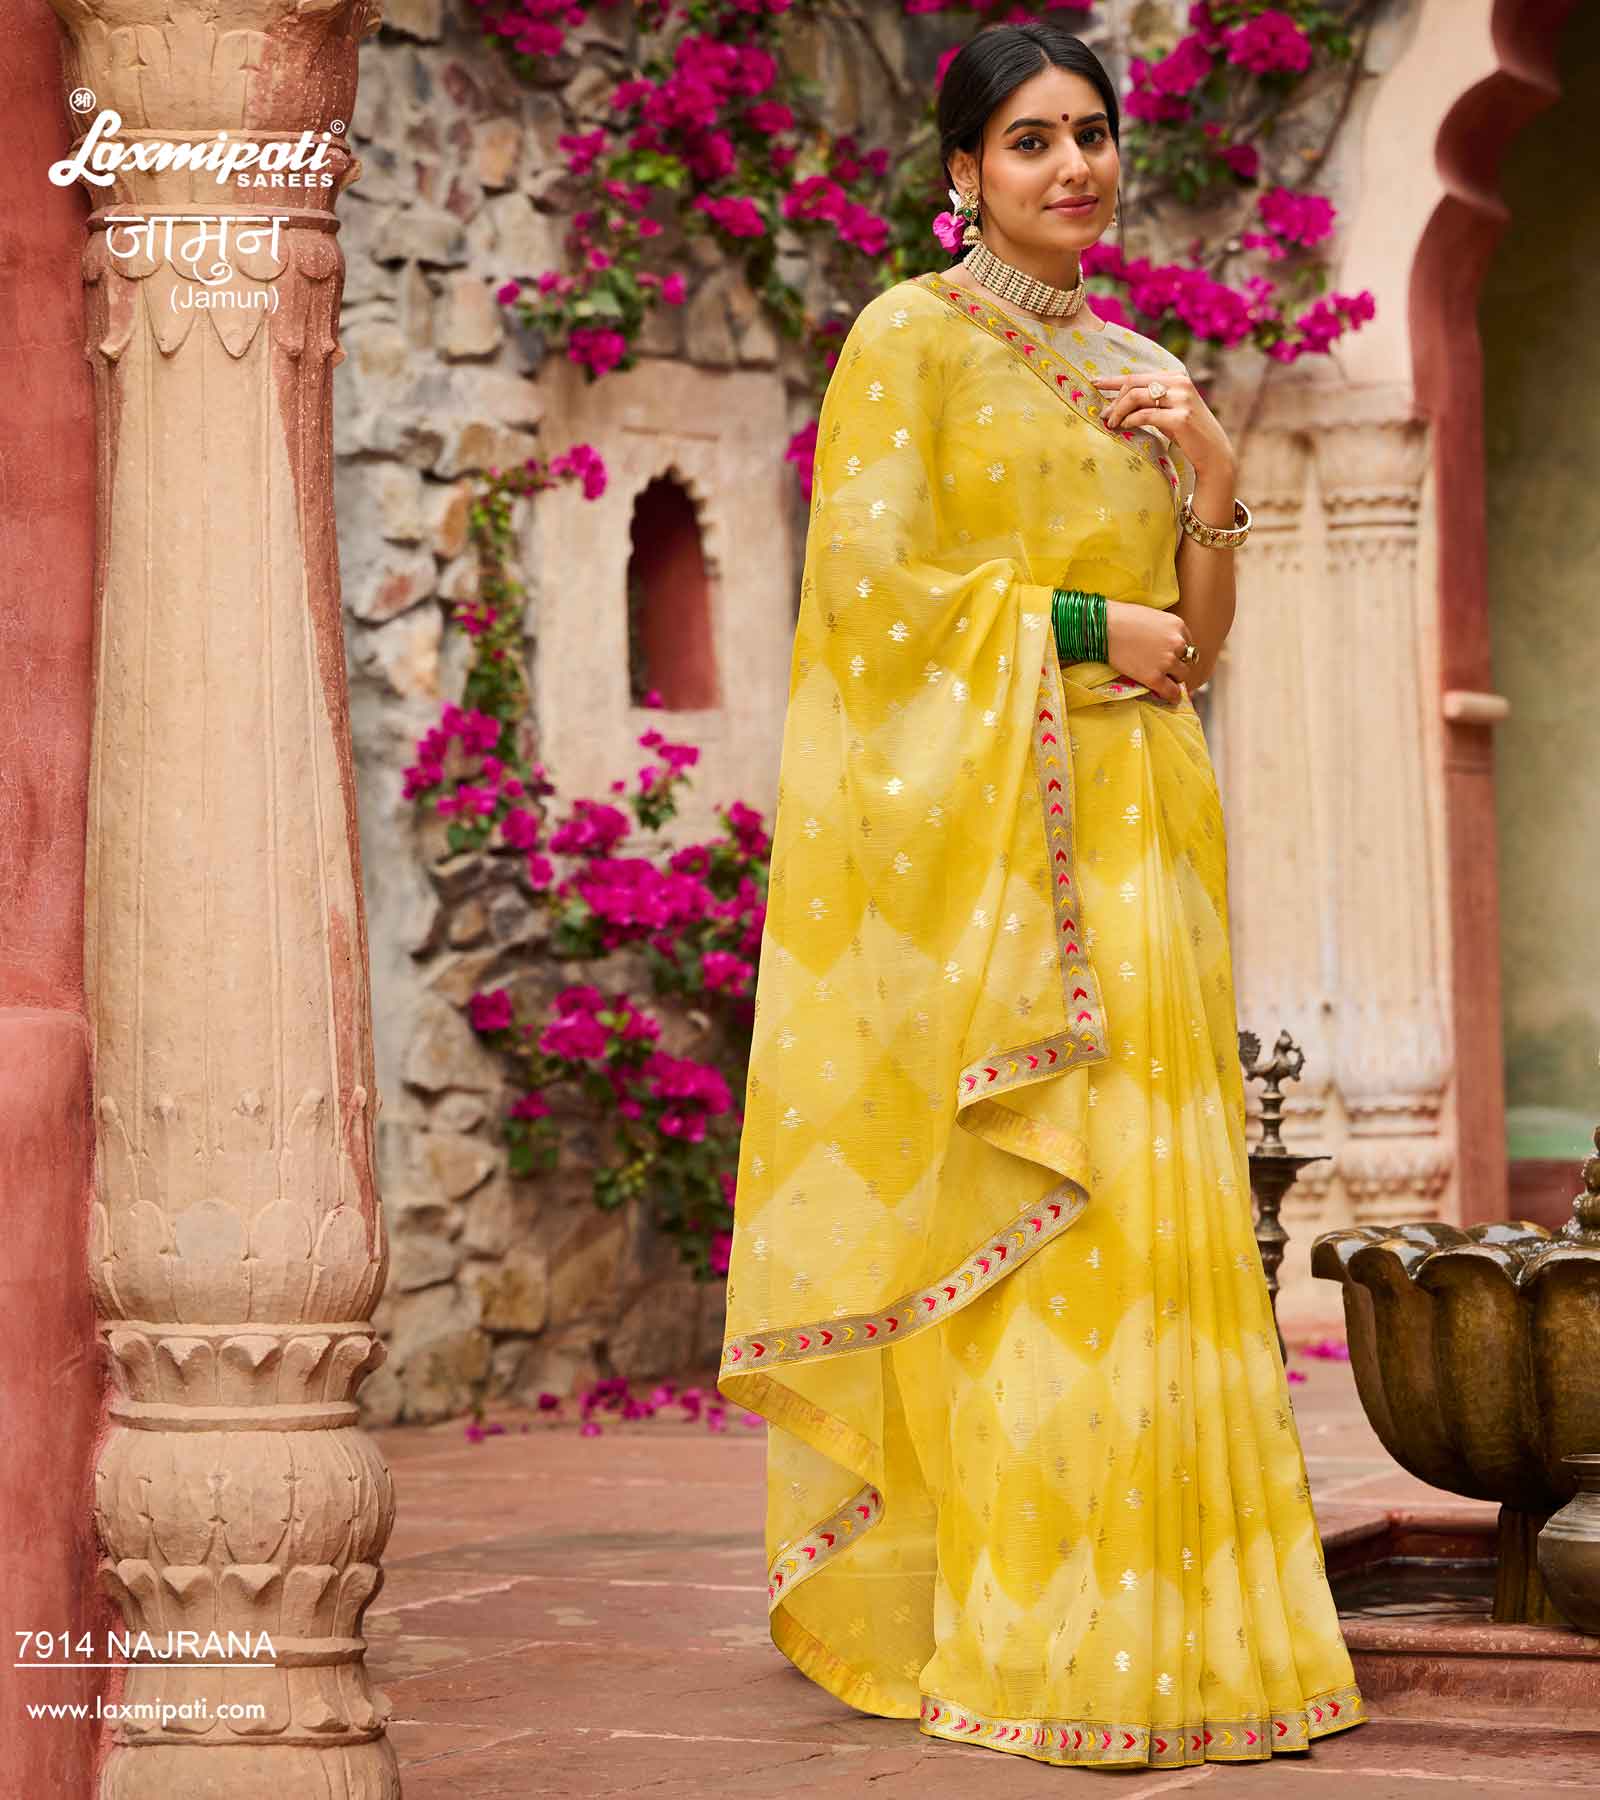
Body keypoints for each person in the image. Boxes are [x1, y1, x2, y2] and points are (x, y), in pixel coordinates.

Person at [715, 18, 1366, 1771]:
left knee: (1158, 1227)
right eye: (1029, 140)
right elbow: (868, 602)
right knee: (1041, 1237)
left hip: (1147, 834)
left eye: (1090, 133)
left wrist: (1212, 477)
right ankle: (1032, 1630)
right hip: (998, 852)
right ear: (961, 172)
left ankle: (1184, 1629)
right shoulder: (906, 342)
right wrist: (1082, 628)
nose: (1072, 165)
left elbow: (1195, 654)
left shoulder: (1142, 365)